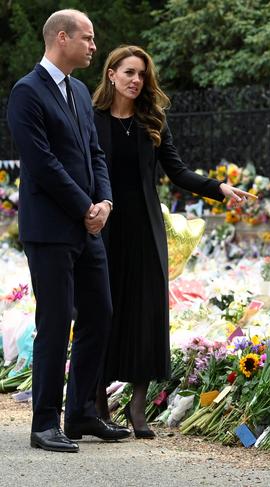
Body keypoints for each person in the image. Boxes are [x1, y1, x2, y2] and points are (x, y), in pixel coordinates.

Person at [92, 45, 255, 438]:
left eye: (142, 74)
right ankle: (96, 405)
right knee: (104, 311)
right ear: (111, 74)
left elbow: (178, 172)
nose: (136, 80)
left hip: (146, 228)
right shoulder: (91, 119)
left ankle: (137, 405)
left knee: (147, 313)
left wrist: (219, 189)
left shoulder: (154, 120)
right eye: (129, 72)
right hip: (104, 227)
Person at [6, 9, 131, 453]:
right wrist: (85, 207)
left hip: (88, 226)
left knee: (100, 314)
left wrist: (106, 203)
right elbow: (41, 163)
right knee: (56, 322)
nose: (94, 46)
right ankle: (44, 424)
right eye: (88, 38)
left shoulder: (78, 90)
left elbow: (95, 154)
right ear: (62, 38)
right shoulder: (26, 92)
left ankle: (80, 413)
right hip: (52, 229)